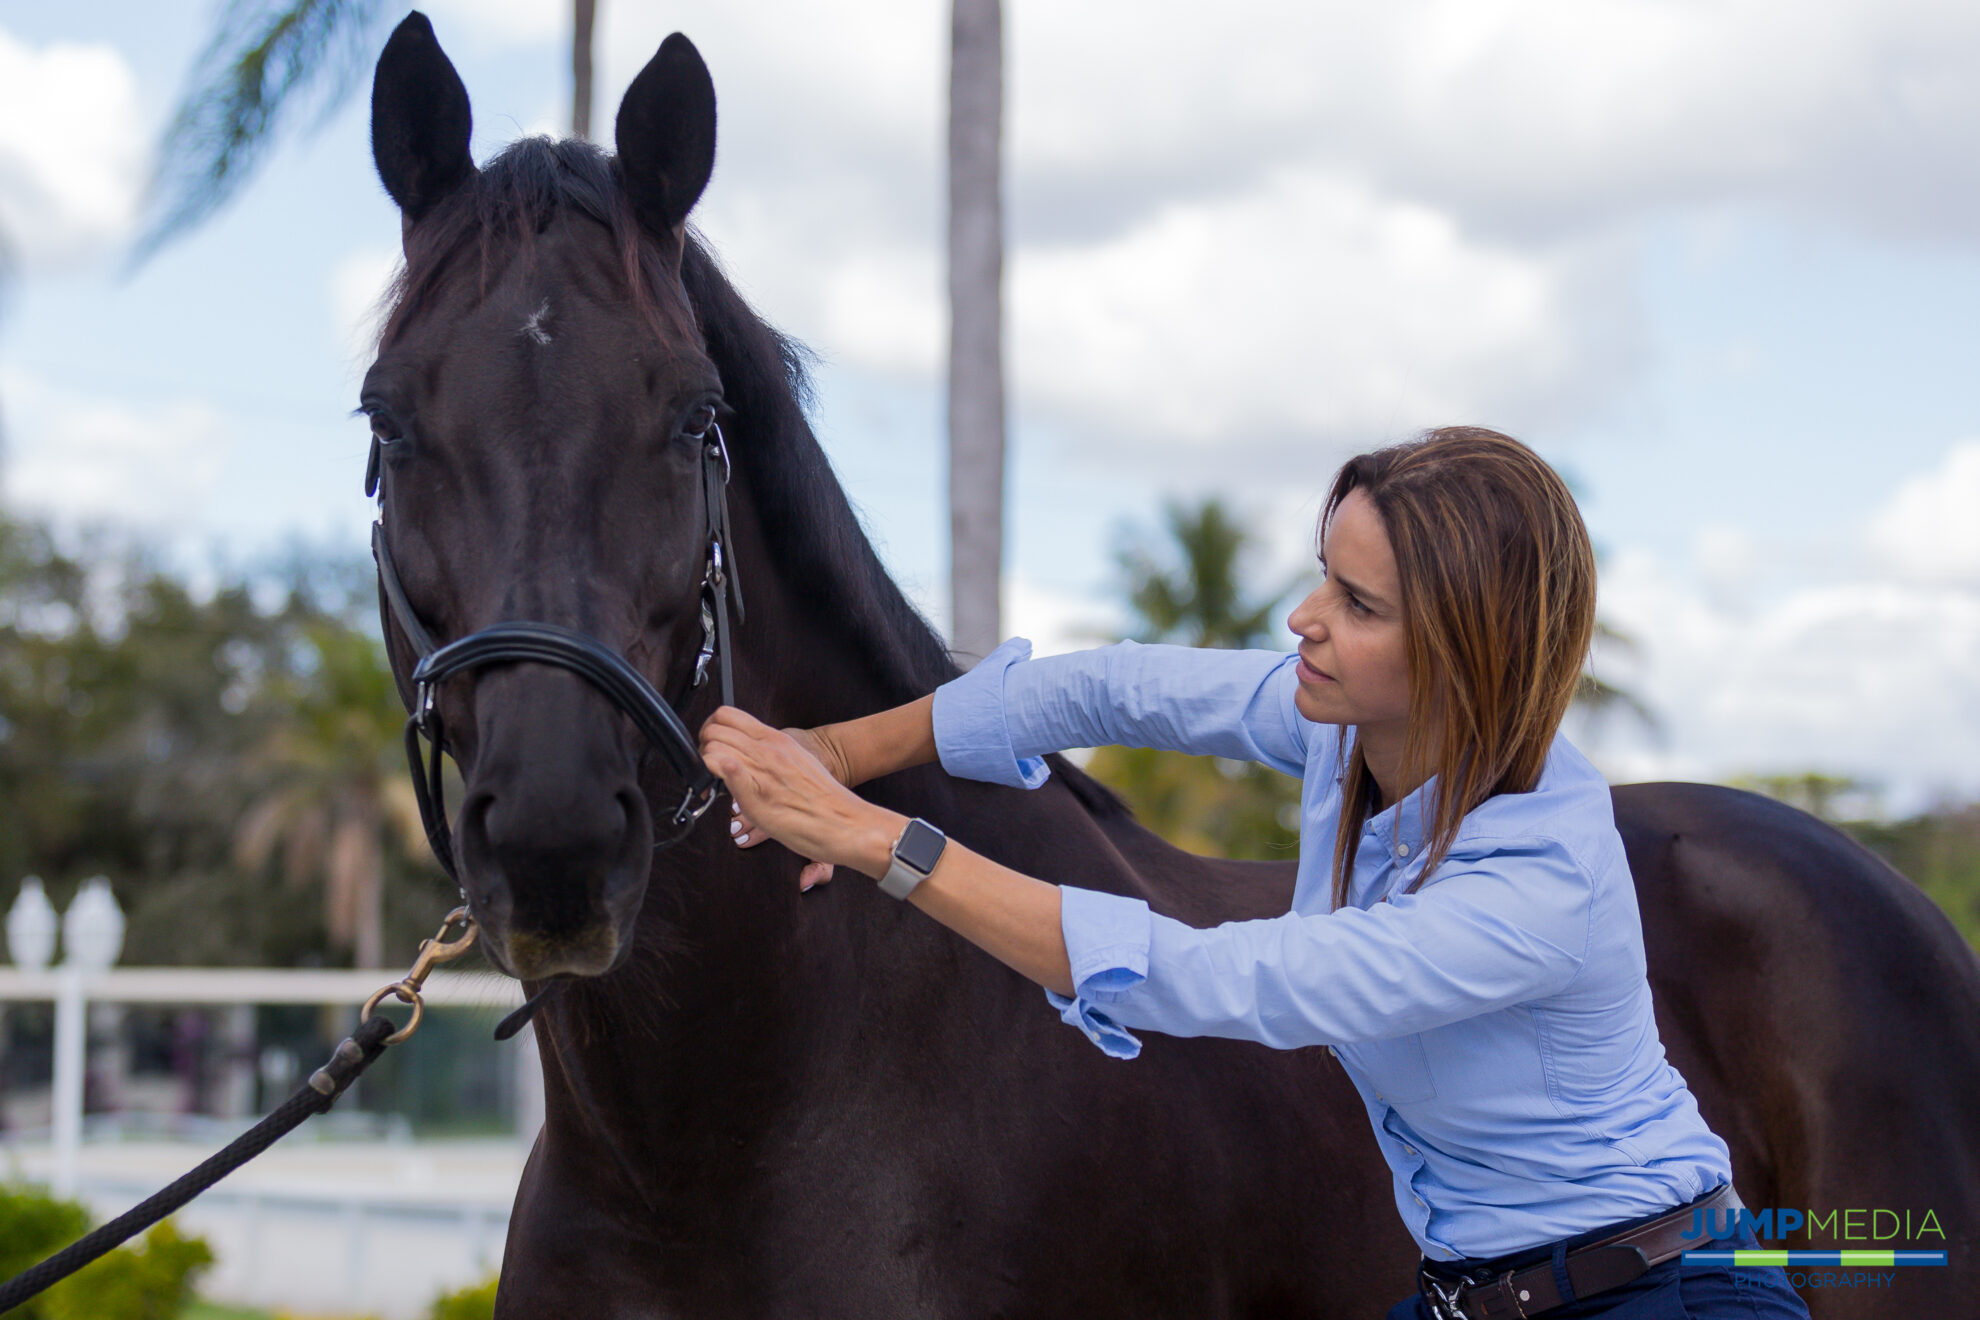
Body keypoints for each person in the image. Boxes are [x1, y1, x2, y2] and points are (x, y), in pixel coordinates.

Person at [698, 427, 1811, 1320]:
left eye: (1359, 608)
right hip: (1476, 1295)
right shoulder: (1349, 730)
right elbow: (1101, 691)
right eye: (1327, 578)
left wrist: (870, 838)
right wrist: (839, 751)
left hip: (1662, 1295)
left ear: (1468, 654)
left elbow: (1206, 978)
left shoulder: (1535, 884)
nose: (1303, 621)